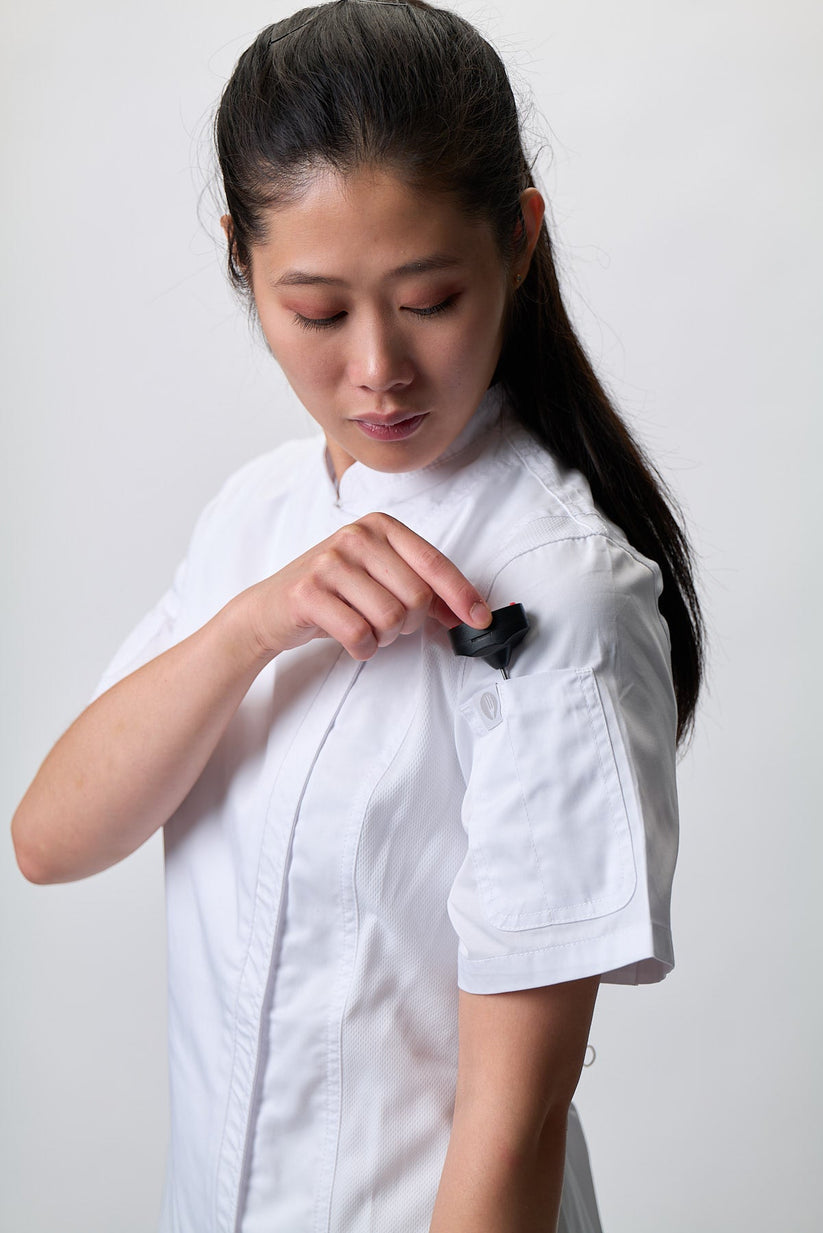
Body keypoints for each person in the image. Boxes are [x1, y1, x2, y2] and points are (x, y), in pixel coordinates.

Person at [12, 2, 704, 1230]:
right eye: (319, 312)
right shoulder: (260, 514)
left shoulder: (563, 598)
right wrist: (251, 627)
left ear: (519, 242)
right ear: (243, 263)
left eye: (429, 299)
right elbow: (50, 841)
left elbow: (514, 1125)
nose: (377, 368)